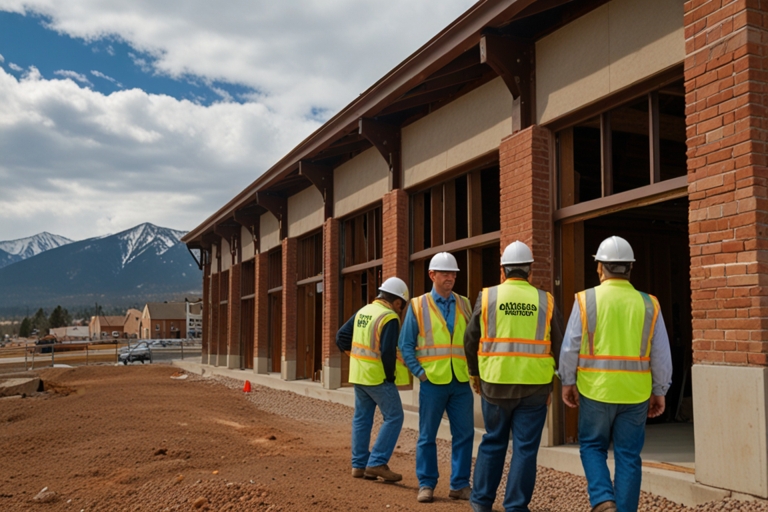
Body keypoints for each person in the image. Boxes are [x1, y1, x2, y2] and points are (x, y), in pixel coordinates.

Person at [560, 236, 672, 512]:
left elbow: (570, 347)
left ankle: (602, 500)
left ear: (600, 267)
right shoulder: (649, 304)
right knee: (629, 456)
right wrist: (660, 390)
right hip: (635, 393)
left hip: (595, 390)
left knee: (592, 447)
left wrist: (567, 382)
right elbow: (661, 354)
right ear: (630, 268)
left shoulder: (586, 300)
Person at [464, 241, 563, 512]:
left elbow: (470, 339)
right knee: (525, 448)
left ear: (502, 271)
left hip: (494, 384)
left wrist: (475, 373)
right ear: (530, 272)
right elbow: (558, 343)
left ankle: (481, 502)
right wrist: (555, 384)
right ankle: (516, 506)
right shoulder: (545, 300)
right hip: (534, 387)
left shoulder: (487, 297)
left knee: (493, 441)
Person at [398, 252, 474, 503]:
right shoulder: (418, 305)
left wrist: (475, 373)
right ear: (432, 275)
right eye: (445, 273)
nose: (450, 277)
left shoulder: (464, 303)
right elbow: (405, 345)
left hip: (460, 381)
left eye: (453, 273)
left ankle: (460, 485)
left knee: (464, 435)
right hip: (432, 382)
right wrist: (420, 374)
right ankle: (426, 484)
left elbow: (473, 343)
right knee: (427, 435)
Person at [335, 276, 410, 482]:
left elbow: (340, 337)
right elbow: (387, 352)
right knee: (394, 417)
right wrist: (390, 376)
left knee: (362, 418)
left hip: (358, 376)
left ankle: (359, 466)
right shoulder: (389, 317)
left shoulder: (363, 311)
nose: (400, 310)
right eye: (401, 306)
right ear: (396, 301)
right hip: (377, 378)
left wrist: (357, 358)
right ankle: (377, 462)